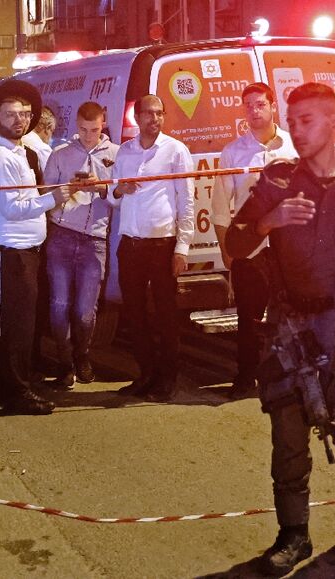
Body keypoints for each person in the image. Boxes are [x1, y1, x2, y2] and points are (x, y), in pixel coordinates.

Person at [226, 82, 335, 575]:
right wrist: (268, 223)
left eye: (306, 120)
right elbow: (235, 244)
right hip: (289, 331)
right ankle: (294, 535)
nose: (296, 130)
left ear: (333, 121)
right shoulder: (277, 183)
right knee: (287, 443)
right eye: (293, 119)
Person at [0, 80, 70, 415]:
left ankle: (16, 383)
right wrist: (54, 198)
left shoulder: (21, 153)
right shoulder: (0, 158)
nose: (19, 120)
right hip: (10, 253)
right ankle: (15, 391)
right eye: (11, 114)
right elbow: (12, 208)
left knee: (21, 323)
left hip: (25, 252)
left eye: (25, 114)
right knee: (12, 326)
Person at [212, 82, 296, 397]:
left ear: (273, 106)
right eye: (248, 105)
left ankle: (288, 377)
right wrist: (227, 251)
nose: (254, 111)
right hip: (250, 248)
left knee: (291, 316)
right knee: (248, 319)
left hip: (289, 250)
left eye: (260, 104)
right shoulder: (233, 152)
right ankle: (246, 378)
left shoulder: (293, 148)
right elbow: (220, 207)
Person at [109, 94, 195, 402]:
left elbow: (186, 201)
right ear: (137, 117)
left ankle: (167, 380)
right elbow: (111, 196)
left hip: (162, 245)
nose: (155, 119)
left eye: (160, 113)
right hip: (130, 245)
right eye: (149, 113)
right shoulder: (126, 152)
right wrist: (120, 188)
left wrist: (182, 247)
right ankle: (145, 374)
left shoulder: (176, 151)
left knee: (165, 315)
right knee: (134, 314)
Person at [43, 101, 118, 388]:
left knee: (86, 310)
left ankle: (82, 353)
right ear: (76, 125)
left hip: (95, 239)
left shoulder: (116, 154)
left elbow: (121, 195)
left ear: (104, 124)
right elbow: (46, 195)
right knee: (60, 304)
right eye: (84, 130)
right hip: (62, 234)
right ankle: (65, 363)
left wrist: (102, 187)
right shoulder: (60, 155)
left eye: (95, 130)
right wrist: (68, 190)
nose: (89, 136)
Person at [22, 105, 56, 172]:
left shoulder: (18, 140)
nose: (51, 136)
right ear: (47, 128)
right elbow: (51, 179)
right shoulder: (43, 149)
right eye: (52, 131)